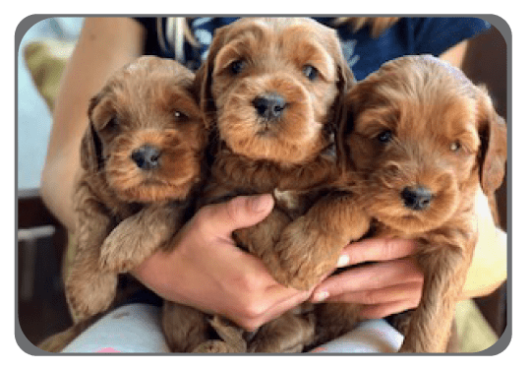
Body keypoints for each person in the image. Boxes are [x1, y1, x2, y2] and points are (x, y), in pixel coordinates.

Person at [40, 17, 506, 352]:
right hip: (157, 297)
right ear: (203, 92)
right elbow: (70, 161)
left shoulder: (426, 31)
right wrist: (159, 266)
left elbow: (464, 176)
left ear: (341, 103)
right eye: (236, 68)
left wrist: (486, 263)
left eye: (310, 73)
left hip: (361, 314)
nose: (270, 95)